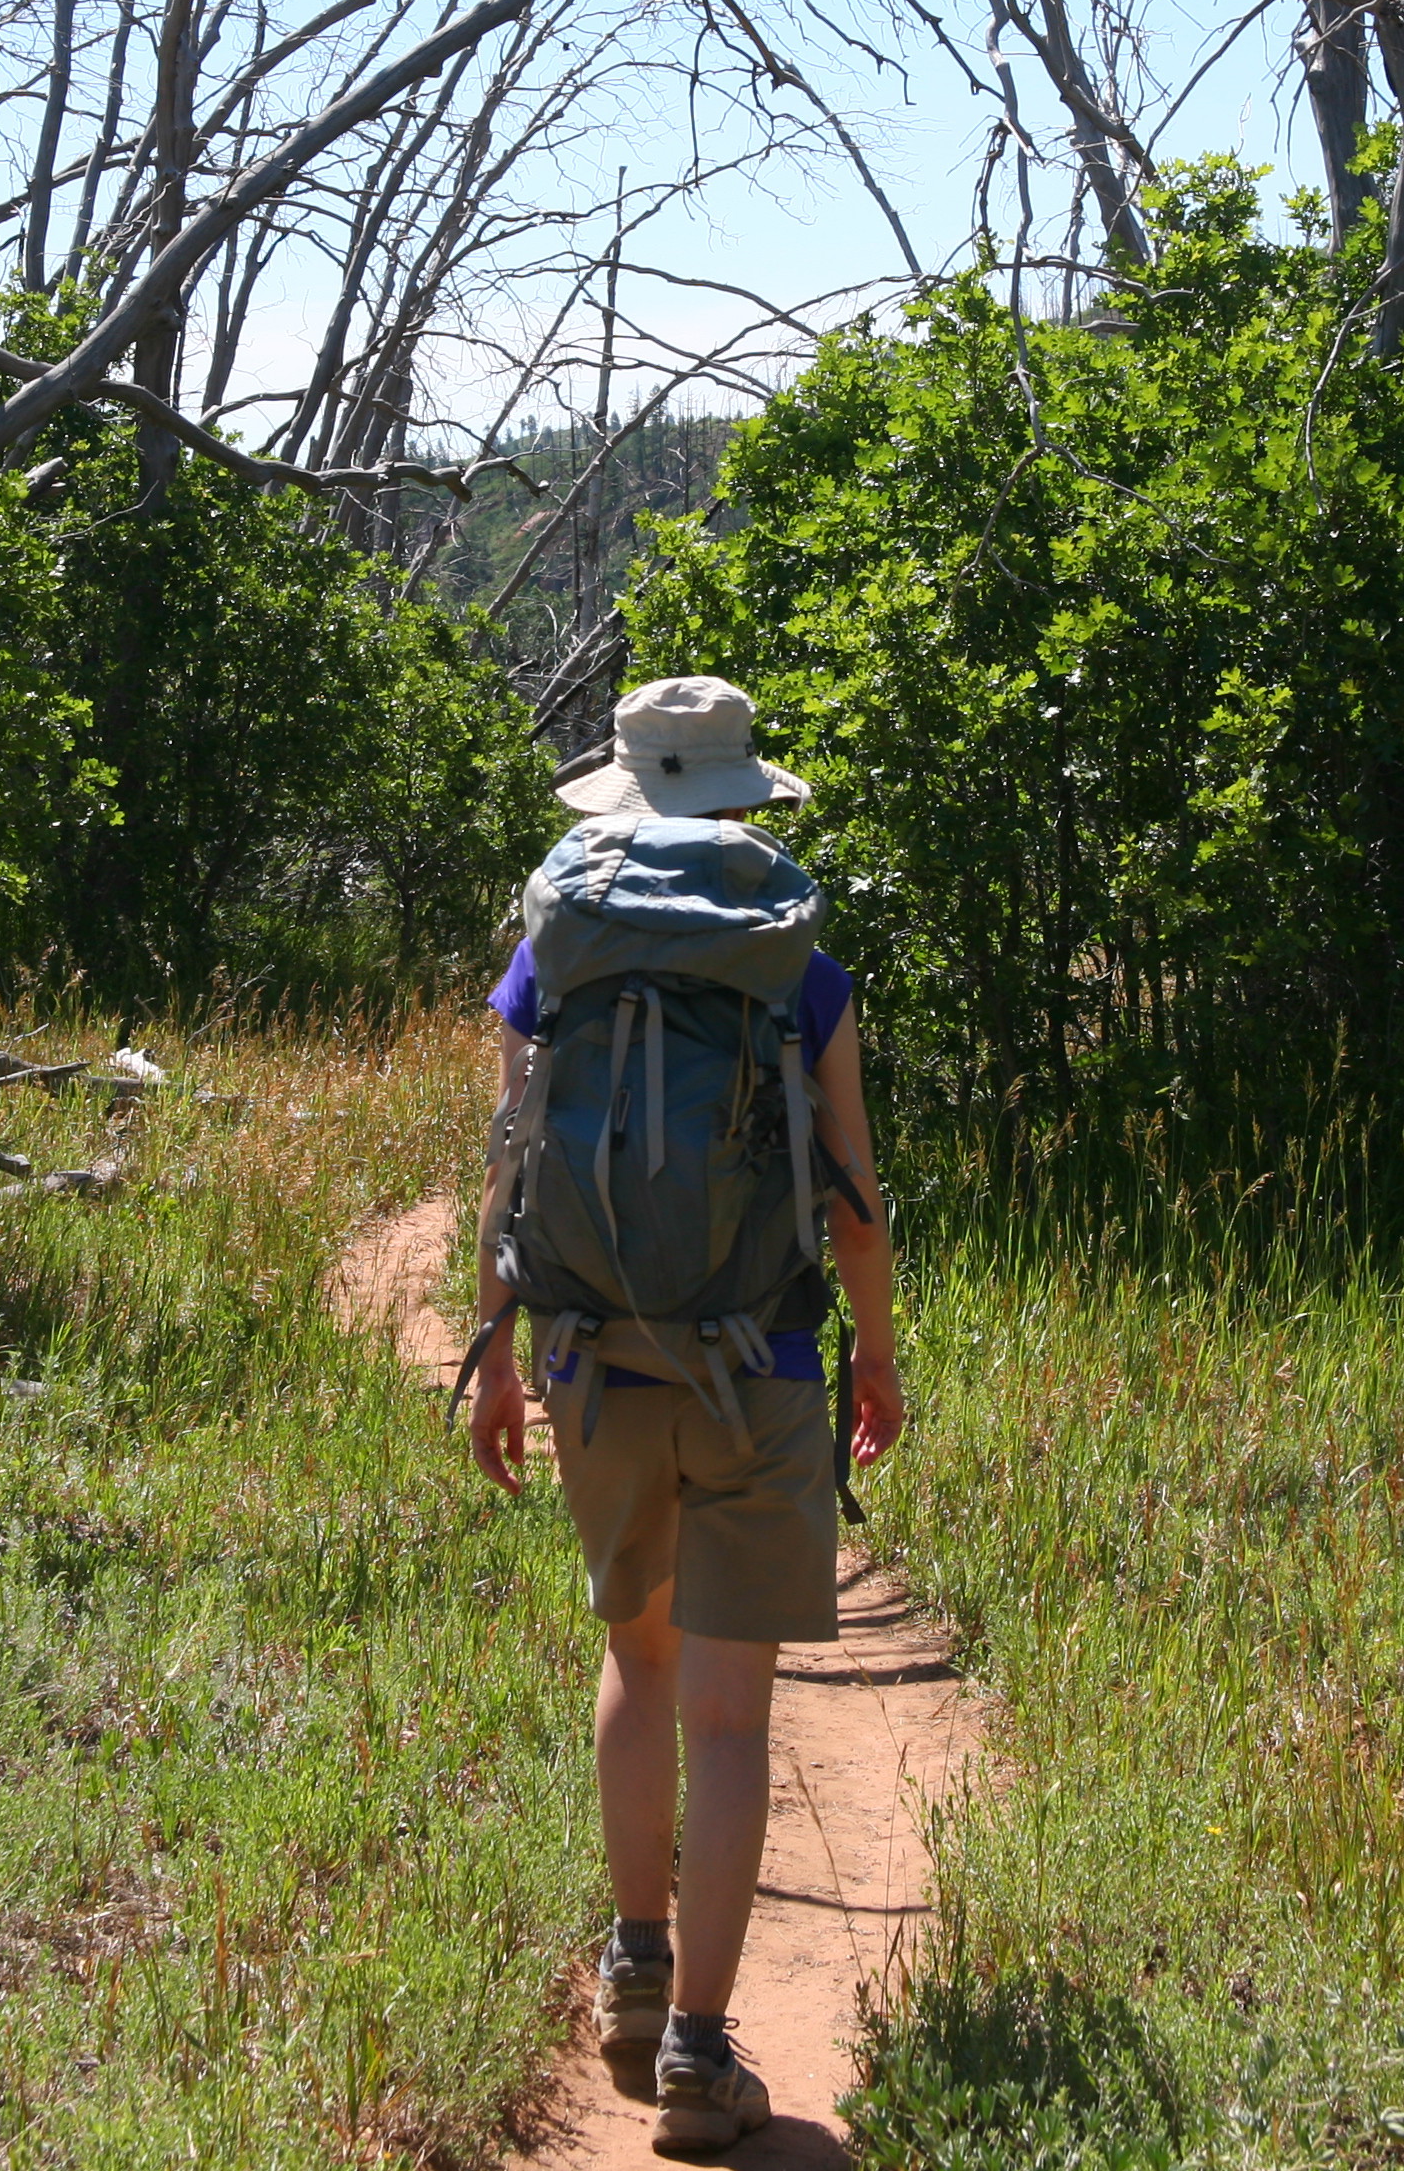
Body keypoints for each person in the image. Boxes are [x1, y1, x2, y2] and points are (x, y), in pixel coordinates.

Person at [464, 674, 902, 2159]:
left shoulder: (554, 951)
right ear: (739, 795)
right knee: (729, 1714)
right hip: (761, 1365)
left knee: (634, 1668)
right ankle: (706, 2062)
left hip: (595, 1355)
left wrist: (501, 1353)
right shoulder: (802, 966)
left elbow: (510, 1165)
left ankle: (634, 1971)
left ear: (627, 791)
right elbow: (851, 1204)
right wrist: (881, 1361)